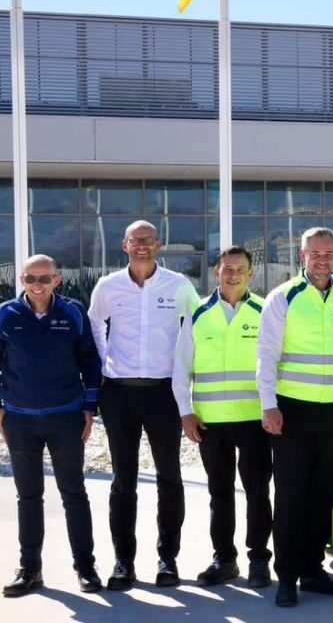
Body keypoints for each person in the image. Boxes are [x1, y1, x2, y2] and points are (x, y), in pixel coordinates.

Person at [258, 227, 333, 608]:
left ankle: (313, 571)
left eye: (328, 253)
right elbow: (267, 356)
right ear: (301, 254)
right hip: (291, 410)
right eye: (315, 253)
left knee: (322, 492)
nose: (322, 259)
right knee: (291, 496)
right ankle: (287, 577)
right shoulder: (284, 297)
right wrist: (268, 405)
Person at [88, 220, 201, 590]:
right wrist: (104, 367)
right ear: (125, 245)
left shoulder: (179, 286)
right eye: (136, 240)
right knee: (124, 480)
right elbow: (93, 326)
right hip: (119, 394)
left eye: (148, 241)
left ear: (159, 245)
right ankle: (123, 562)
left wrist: (186, 386)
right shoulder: (108, 286)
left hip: (163, 394)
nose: (142, 246)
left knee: (170, 478)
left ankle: (167, 559)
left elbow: (193, 333)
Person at [0, 255, 103, 597]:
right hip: (20, 420)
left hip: (65, 417)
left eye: (44, 278)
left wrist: (89, 408)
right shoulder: (5, 314)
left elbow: (90, 360)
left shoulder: (73, 312)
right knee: (28, 496)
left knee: (74, 493)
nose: (37, 284)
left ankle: (85, 568)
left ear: (57, 279)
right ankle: (30, 570)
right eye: (30, 278)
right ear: (23, 281)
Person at [171, 245, 272, 589]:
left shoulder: (264, 312)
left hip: (254, 421)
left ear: (251, 273)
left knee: (258, 492)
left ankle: (259, 559)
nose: (233, 274)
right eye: (227, 268)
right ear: (216, 271)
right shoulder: (198, 314)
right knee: (220, 493)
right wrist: (185, 412)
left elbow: (276, 364)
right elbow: (181, 367)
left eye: (239, 269)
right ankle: (224, 559)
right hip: (210, 421)